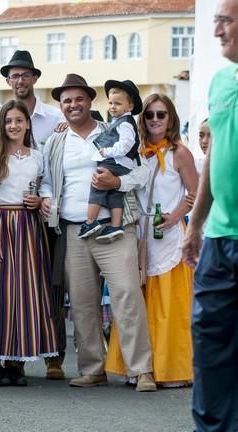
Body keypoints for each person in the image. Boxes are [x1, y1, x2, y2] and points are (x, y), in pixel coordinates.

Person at [40, 74, 155, 391]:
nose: (73, 105)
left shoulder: (115, 130)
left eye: (78, 99)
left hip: (114, 227)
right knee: (82, 303)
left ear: (91, 101)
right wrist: (48, 201)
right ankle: (93, 368)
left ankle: (141, 369)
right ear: (61, 107)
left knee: (127, 295)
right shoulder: (56, 141)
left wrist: (117, 183)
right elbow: (47, 180)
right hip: (74, 229)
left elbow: (141, 173)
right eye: (66, 101)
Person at [106, 94, 198, 388]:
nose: (155, 120)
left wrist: (175, 217)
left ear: (171, 118)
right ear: (141, 119)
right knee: (136, 303)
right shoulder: (136, 153)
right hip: (139, 233)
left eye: (161, 114)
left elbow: (195, 194)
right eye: (150, 115)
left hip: (168, 236)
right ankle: (140, 367)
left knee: (169, 307)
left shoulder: (179, 153)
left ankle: (170, 369)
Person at [182, 0, 238, 428]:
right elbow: (215, 156)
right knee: (209, 344)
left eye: (225, 20)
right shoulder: (220, 82)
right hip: (219, 239)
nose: (216, 30)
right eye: (215, 20)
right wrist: (196, 224)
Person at [0, 100, 59, 385]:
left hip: (28, 226)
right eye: (8, 121)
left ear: (27, 124)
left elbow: (45, 184)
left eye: (18, 120)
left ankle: (15, 361)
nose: (13, 125)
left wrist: (40, 200)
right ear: (2, 125)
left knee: (24, 290)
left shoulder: (37, 156)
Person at [80, 80, 142, 243]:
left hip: (117, 161)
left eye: (118, 103)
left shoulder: (125, 124)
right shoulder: (120, 122)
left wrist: (107, 151)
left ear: (129, 107)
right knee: (115, 194)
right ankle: (115, 225)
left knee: (98, 184)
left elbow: (125, 145)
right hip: (123, 164)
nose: (112, 106)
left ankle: (90, 222)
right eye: (110, 103)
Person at [0, 50, 64, 150]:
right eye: (15, 76)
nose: (20, 81)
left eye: (25, 75)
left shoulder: (56, 118)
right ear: (8, 81)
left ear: (35, 79)